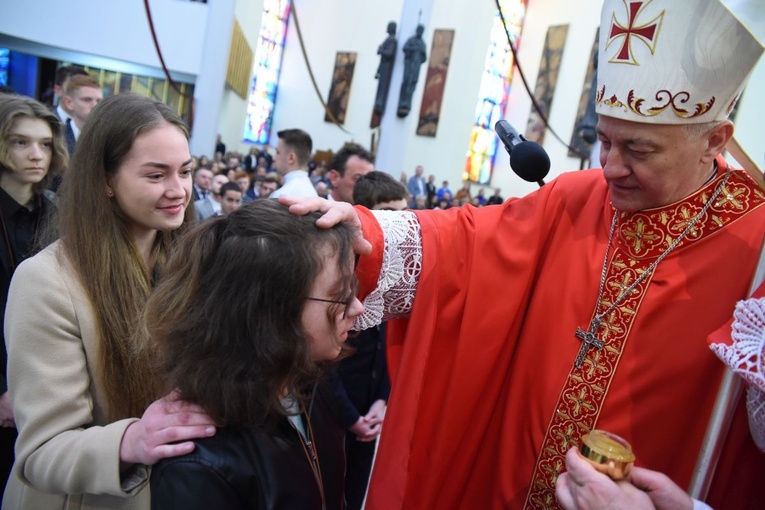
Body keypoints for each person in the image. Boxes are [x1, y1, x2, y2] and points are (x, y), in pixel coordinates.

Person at [281, 1, 765, 508]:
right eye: (603, 140)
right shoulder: (576, 198)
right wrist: (367, 231)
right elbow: (466, 244)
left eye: (639, 150)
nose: (611, 167)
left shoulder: (755, 250)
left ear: (714, 139)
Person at [3, 94, 216, 510]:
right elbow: (42, 453)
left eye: (186, 172)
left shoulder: (195, 265)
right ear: (105, 180)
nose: (179, 191)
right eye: (156, 176)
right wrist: (133, 440)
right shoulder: (46, 281)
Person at [148, 200, 363, 509]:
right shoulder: (199, 464)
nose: (357, 308)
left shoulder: (312, 386)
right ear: (271, 312)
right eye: (342, 296)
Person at [0, 94, 66, 494]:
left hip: (42, 379)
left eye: (44, 144)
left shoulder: (57, 213)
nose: (35, 155)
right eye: (21, 142)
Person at [269, 129, 317, 199]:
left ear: (291, 158)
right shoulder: (313, 193)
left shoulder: (281, 196)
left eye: (278, 152)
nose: (274, 158)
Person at [397, 24, 427, 118]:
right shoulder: (411, 40)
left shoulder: (422, 43)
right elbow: (405, 48)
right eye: (419, 30)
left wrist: (420, 53)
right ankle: (402, 102)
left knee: (412, 84)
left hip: (416, 67)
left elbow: (424, 58)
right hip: (409, 65)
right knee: (406, 82)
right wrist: (413, 49)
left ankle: (407, 104)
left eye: (421, 31)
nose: (419, 32)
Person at [373, 21, 398, 116]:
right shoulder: (389, 39)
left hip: (386, 66)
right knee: (381, 86)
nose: (386, 28)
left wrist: (381, 50)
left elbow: (389, 53)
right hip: (384, 65)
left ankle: (380, 103)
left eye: (388, 27)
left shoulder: (392, 40)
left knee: (382, 86)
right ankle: (378, 103)